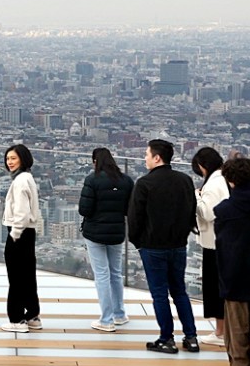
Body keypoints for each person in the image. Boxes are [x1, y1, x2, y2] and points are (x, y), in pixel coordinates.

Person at [128, 138, 198, 354]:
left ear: (157, 157)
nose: (145, 159)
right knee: (179, 291)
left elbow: (135, 218)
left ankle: (166, 338)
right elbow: (191, 210)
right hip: (178, 244)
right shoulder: (185, 180)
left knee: (160, 294)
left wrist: (138, 242)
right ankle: (191, 337)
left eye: (147, 155)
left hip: (153, 246)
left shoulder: (145, 183)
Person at [78, 147, 134, 332]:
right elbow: (129, 209)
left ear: (95, 161)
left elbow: (84, 210)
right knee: (116, 273)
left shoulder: (92, 180)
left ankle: (106, 320)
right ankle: (119, 314)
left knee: (102, 274)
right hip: (117, 232)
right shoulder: (126, 181)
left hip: (95, 232)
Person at [214, 156, 250, 366]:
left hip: (235, 275)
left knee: (237, 328)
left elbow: (222, 246)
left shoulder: (225, 211)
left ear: (231, 181)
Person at [1, 143, 42, 333]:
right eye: (8, 158)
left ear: (23, 159)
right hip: (29, 232)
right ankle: (33, 315)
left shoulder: (20, 181)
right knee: (27, 275)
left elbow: (22, 212)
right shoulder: (28, 178)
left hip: (20, 232)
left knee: (16, 277)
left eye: (13, 158)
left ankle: (17, 319)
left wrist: (15, 234)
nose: (9, 162)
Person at [192, 146, 229, 347]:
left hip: (214, 242)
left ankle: (221, 332)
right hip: (222, 240)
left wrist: (196, 196)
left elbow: (207, 213)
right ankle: (224, 330)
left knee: (215, 288)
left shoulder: (215, 184)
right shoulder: (223, 178)